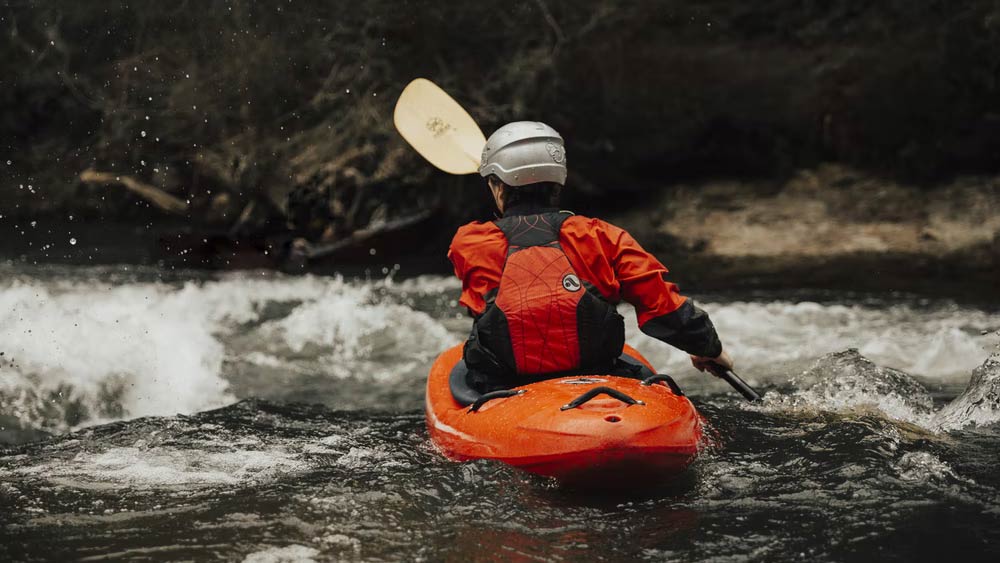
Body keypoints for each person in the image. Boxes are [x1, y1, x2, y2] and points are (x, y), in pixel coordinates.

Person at [448, 121, 734, 393]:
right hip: (597, 377)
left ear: (498, 187)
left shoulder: (469, 243)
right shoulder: (603, 236)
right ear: (558, 181)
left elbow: (480, 305)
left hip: (504, 385)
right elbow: (663, 307)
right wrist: (708, 348)